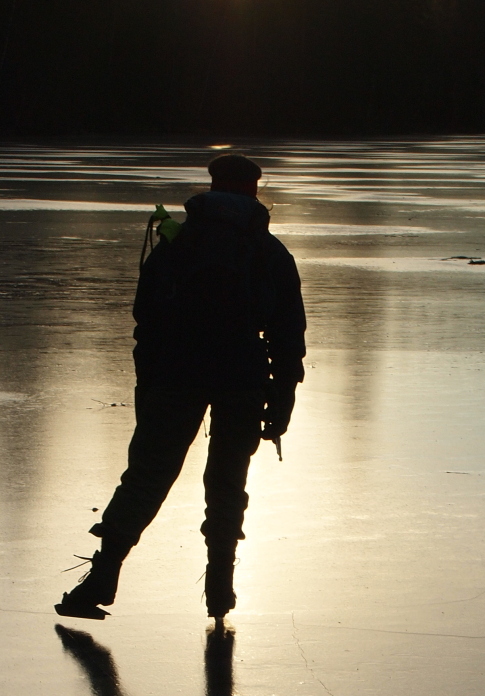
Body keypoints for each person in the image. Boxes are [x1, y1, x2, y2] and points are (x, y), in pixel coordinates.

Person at [56, 153, 306, 622]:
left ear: (211, 188)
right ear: (253, 190)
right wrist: (283, 399)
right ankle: (220, 591)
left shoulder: (176, 244)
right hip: (243, 377)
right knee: (228, 483)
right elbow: (289, 336)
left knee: (148, 475)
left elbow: (145, 320)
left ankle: (101, 576)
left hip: (176, 372)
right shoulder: (271, 253)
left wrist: (148, 384)